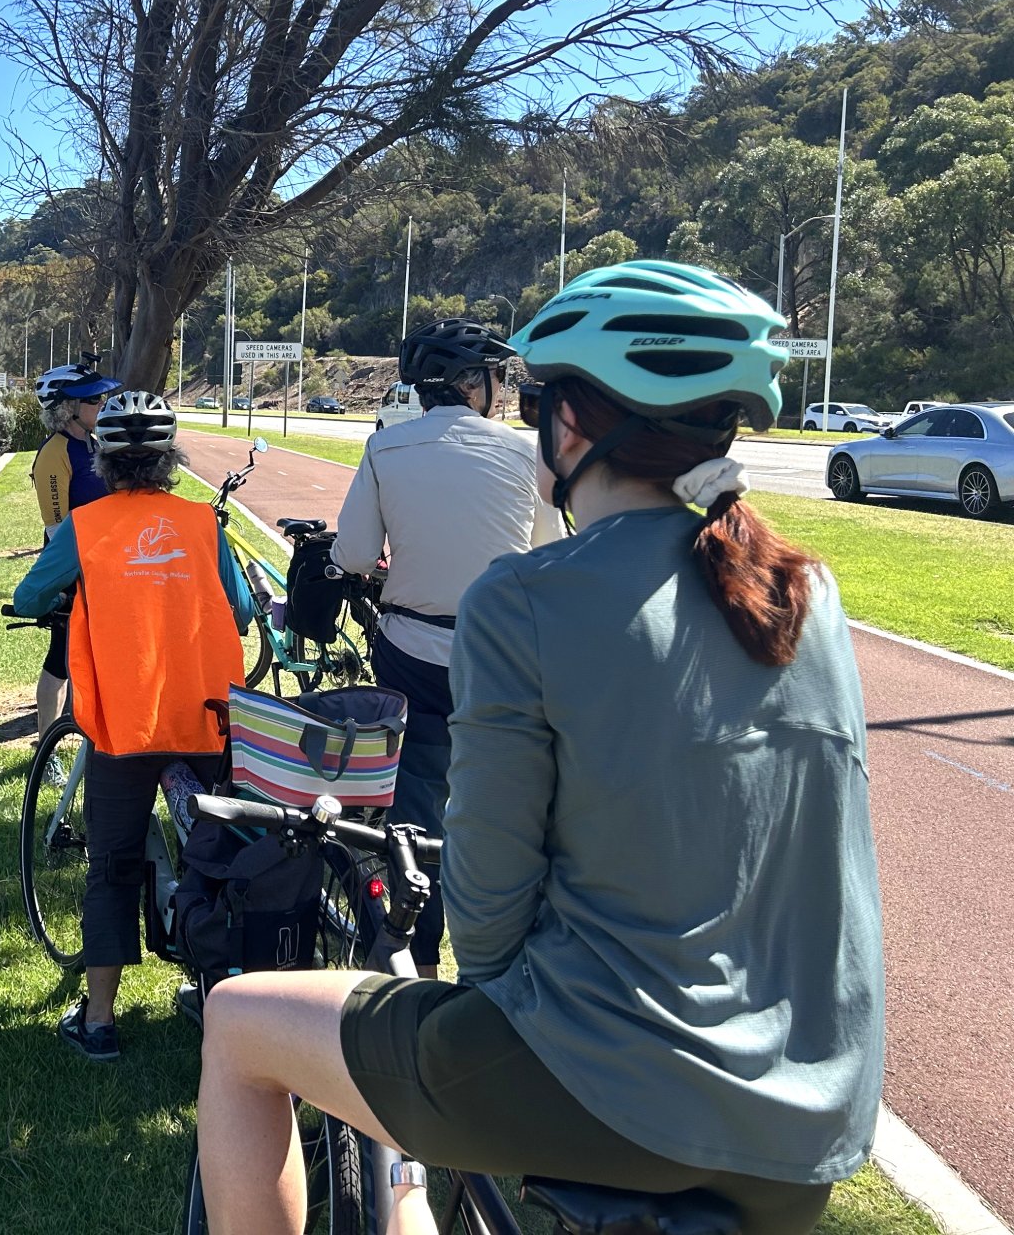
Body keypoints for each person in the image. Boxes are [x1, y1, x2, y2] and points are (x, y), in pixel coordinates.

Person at [196, 261, 884, 1235]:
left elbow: (483, 928)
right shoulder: (805, 596)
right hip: (813, 1121)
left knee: (235, 1023)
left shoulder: (524, 599)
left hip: (609, 1085)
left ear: (565, 426)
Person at [12, 390, 254, 1060]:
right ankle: (222, 998)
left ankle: (99, 1020)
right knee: (221, 860)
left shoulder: (86, 528)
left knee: (111, 867)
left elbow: (30, 595)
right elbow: (240, 613)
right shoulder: (204, 524)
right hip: (208, 718)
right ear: (170, 461)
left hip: (124, 724)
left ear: (107, 459)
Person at [327, 317, 562, 976]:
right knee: (504, 815)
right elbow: (549, 556)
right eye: (495, 377)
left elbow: (351, 554)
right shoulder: (526, 454)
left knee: (414, 818)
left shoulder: (386, 450)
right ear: (471, 383)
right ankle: (503, 969)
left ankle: (421, 966)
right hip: (504, 660)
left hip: (410, 653)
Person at [26, 360, 122, 750]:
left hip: (106, 565)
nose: (102, 404)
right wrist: (78, 574)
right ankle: (45, 742)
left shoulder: (93, 444)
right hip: (75, 568)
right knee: (60, 656)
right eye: (94, 399)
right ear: (68, 407)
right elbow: (56, 525)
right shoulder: (56, 452)